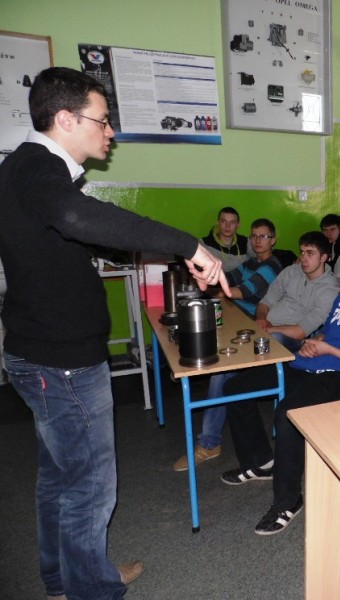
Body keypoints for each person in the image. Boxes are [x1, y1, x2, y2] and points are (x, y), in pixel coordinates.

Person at [0, 67, 228, 600]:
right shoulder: (37, 168)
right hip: (64, 363)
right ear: (65, 119)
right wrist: (188, 245)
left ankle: (66, 578)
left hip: (39, 352)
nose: (110, 132)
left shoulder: (24, 170)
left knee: (59, 478)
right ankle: (93, 589)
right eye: (102, 121)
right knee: (90, 489)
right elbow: (76, 217)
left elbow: (63, 234)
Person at [220, 239, 340, 535]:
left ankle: (288, 502)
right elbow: (328, 332)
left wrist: (329, 350)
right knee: (236, 387)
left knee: (287, 414)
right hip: (311, 362)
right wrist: (315, 342)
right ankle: (260, 462)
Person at [172, 231, 339, 472]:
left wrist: (269, 329)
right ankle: (210, 442)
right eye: (302, 252)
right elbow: (266, 301)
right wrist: (261, 318)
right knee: (223, 367)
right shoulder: (291, 272)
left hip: (292, 342)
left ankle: (211, 442)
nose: (303, 257)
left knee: (243, 358)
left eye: (310, 253)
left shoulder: (329, 290)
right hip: (266, 330)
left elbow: (301, 331)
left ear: (324, 257)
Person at [220, 218, 282, 317]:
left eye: (263, 236)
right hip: (234, 307)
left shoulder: (272, 266)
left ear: (272, 241)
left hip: (249, 316)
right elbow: (229, 278)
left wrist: (218, 292)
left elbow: (242, 292)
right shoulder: (251, 262)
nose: (257, 240)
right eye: (254, 236)